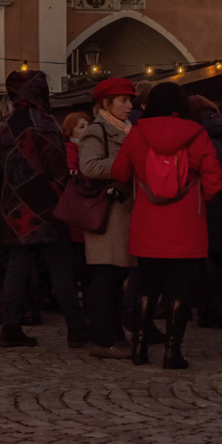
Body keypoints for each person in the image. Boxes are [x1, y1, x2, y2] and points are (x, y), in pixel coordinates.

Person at [108, 82, 222, 368]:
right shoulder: (197, 134)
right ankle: (173, 352)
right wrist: (199, 201)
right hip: (186, 223)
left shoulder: (137, 134)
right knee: (179, 289)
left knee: (146, 285)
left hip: (147, 221)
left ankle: (139, 348)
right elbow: (214, 180)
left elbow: (119, 172)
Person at [0, 69, 89, 350]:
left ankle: (10, 327)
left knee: (17, 266)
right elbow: (57, 168)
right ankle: (76, 327)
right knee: (60, 267)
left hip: (15, 208)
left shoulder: (6, 125)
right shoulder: (44, 123)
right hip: (45, 206)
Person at [77, 77, 137, 359]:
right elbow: (89, 166)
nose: (129, 105)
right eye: (123, 100)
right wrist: (125, 164)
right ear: (106, 103)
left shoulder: (127, 129)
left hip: (124, 211)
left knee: (117, 274)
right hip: (106, 212)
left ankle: (114, 334)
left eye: (129, 100)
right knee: (106, 273)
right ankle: (103, 337)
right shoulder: (97, 131)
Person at [189, 94, 222, 330]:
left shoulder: (199, 137)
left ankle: (212, 311)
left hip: (207, 205)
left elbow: (209, 174)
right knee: (218, 259)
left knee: (207, 263)